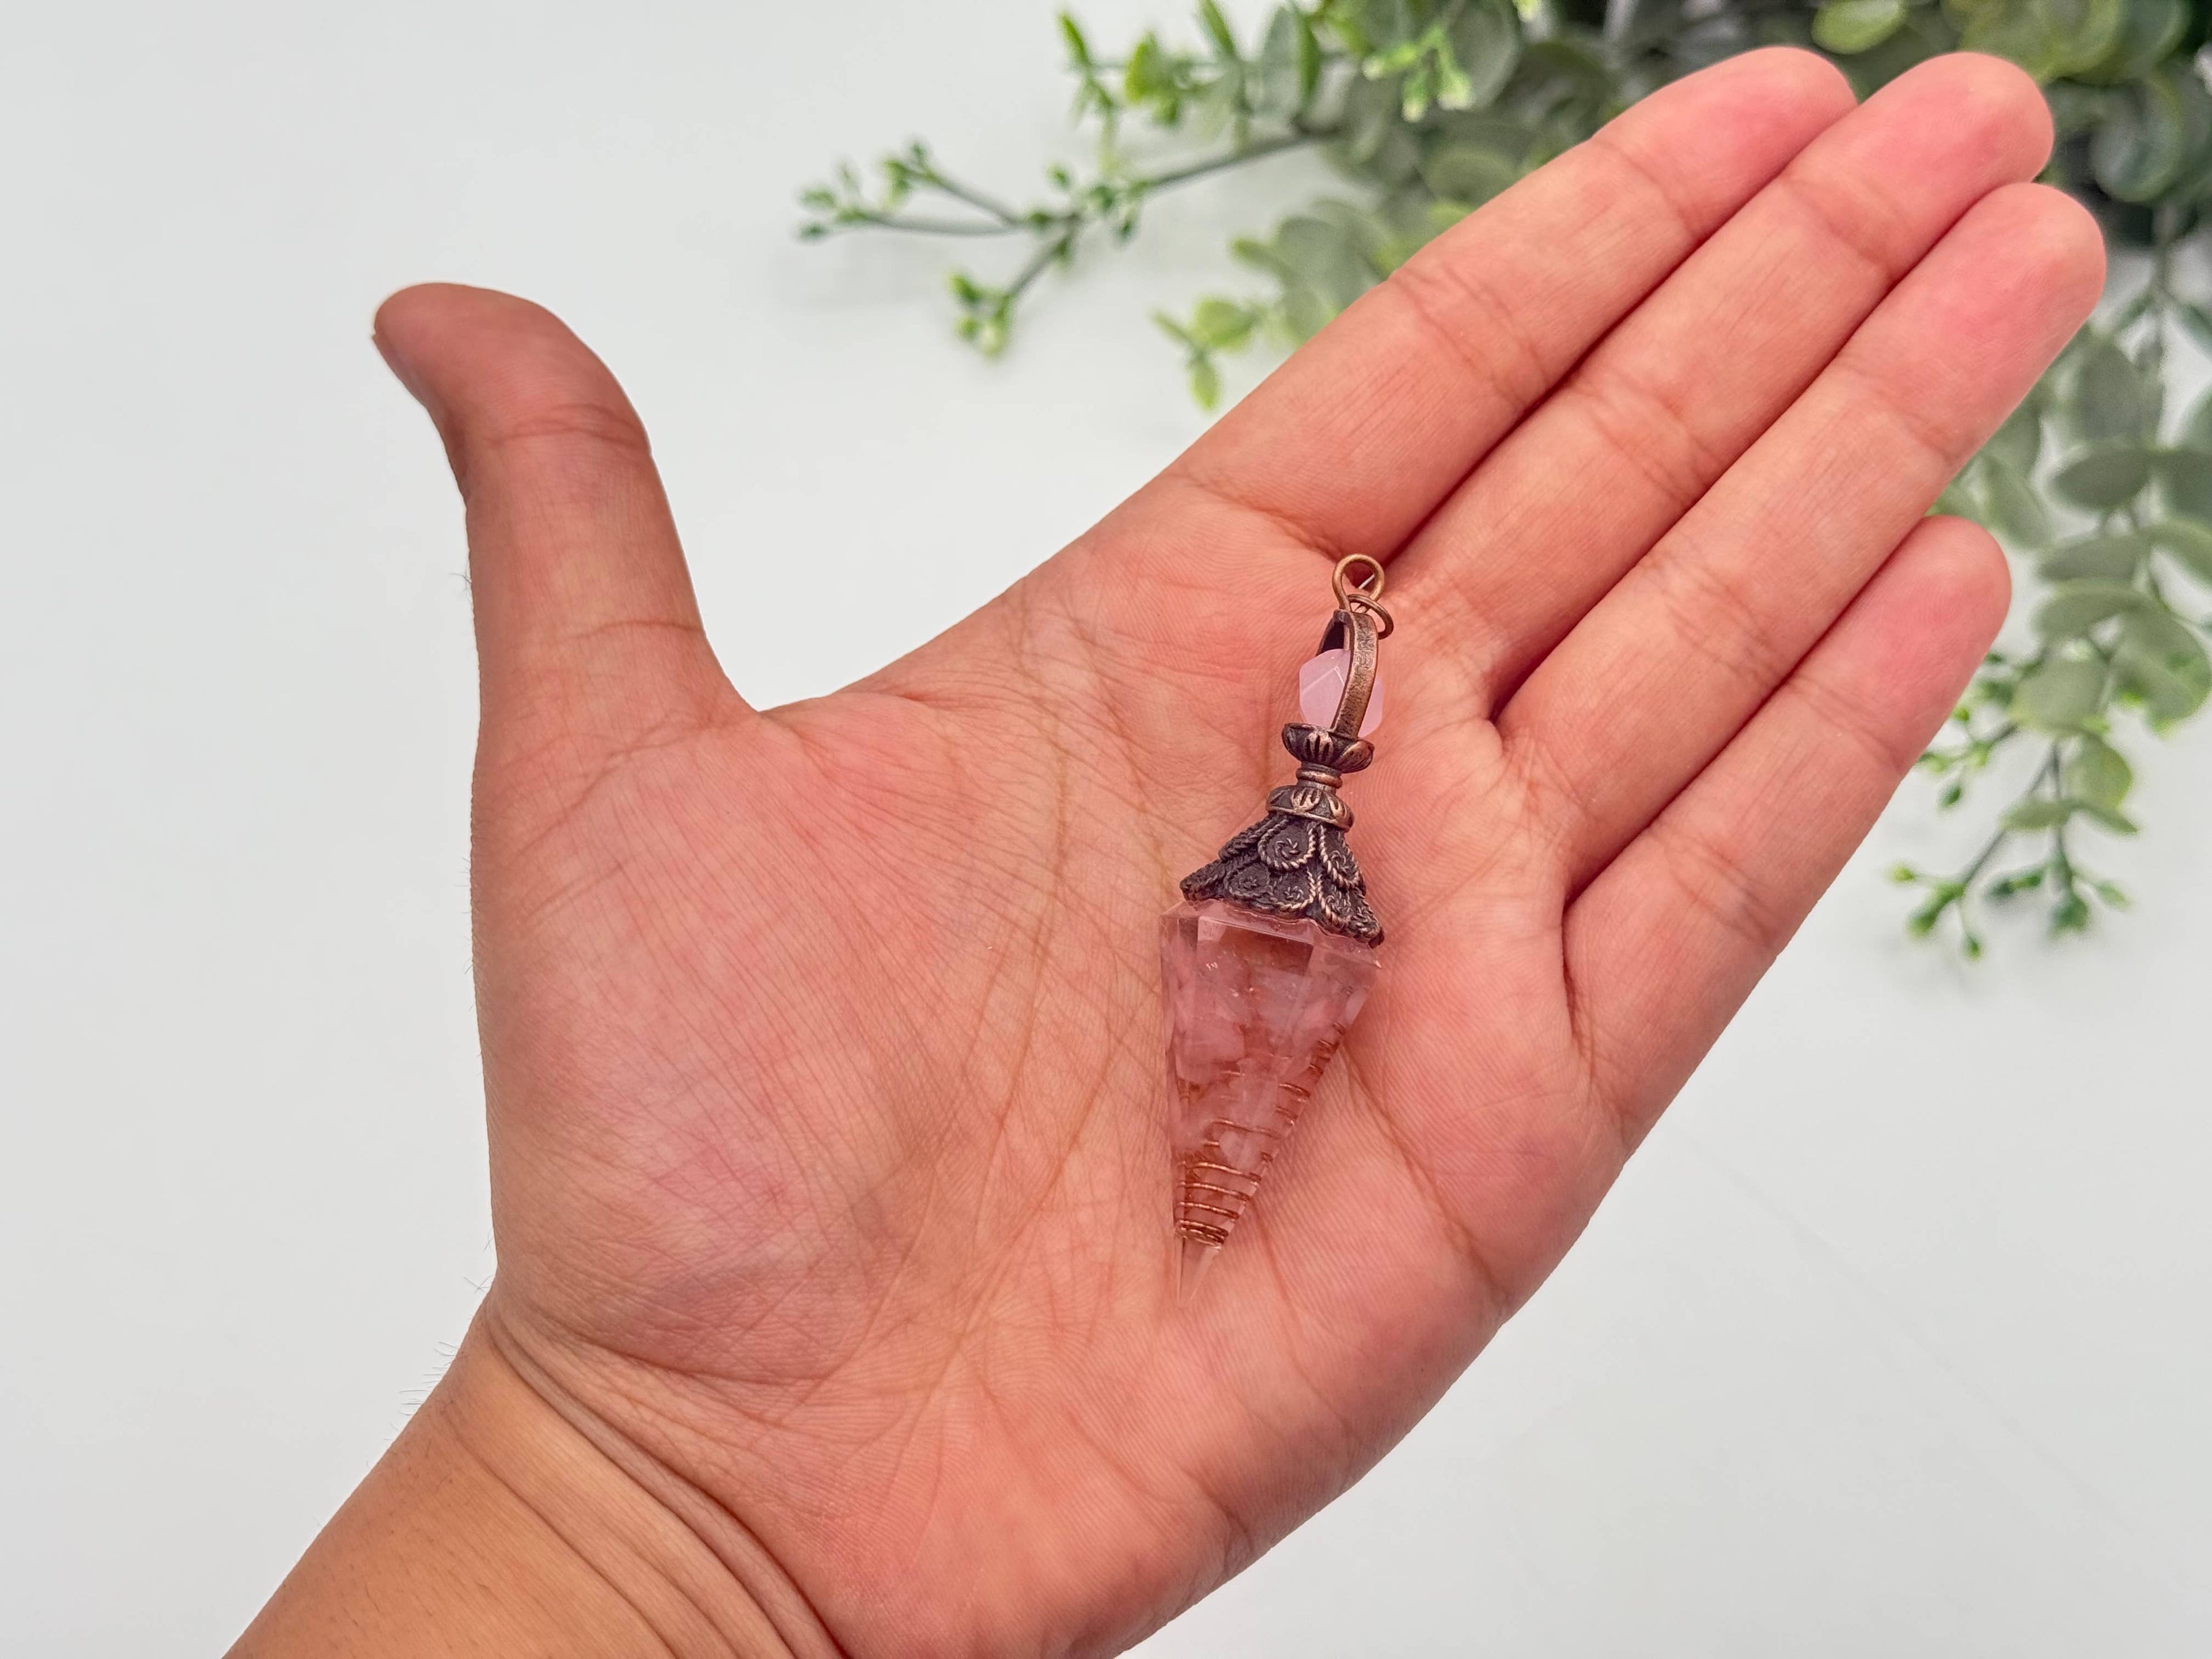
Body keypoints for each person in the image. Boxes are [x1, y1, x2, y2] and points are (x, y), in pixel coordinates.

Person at [229, 47, 2100, 1659]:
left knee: (1244, 1098)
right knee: (1234, 1093)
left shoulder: (1282, 898)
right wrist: (639, 1512)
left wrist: (629, 1537)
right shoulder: (1270, 907)